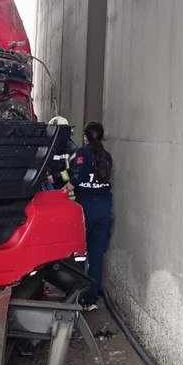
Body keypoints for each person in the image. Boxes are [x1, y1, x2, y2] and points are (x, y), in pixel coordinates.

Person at [69, 121, 113, 311]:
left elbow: (75, 180)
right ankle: (91, 300)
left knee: (79, 255)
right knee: (96, 257)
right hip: (105, 211)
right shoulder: (107, 157)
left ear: (85, 136)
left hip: (85, 211)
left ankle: (77, 297)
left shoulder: (82, 154)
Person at [45, 115, 77, 197]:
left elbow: (76, 172)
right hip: (49, 192)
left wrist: (55, 178)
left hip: (67, 195)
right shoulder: (47, 149)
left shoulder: (72, 150)